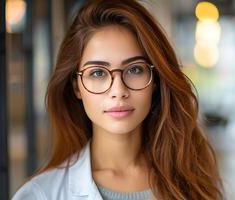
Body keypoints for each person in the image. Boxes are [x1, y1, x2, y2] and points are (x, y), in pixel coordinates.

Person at [12, 0, 223, 199]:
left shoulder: (193, 179)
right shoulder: (40, 195)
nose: (118, 90)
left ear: (156, 80)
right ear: (77, 86)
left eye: (134, 69)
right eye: (97, 73)